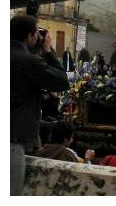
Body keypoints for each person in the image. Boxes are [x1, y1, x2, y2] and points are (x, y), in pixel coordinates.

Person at [11, 15, 70, 195]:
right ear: (30, 36)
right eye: (36, 33)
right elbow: (61, 81)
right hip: (12, 140)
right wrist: (48, 50)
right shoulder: (27, 61)